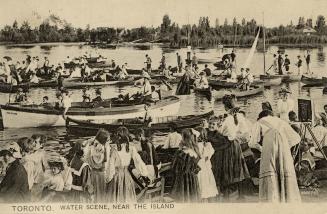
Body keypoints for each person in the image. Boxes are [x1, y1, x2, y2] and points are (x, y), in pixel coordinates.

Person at [249, 111, 301, 202]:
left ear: (261, 116)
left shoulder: (259, 122)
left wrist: (262, 149)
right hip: (283, 147)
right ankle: (286, 198)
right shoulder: (281, 121)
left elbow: (252, 142)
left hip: (269, 146)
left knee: (270, 170)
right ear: (271, 115)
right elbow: (297, 138)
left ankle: (272, 199)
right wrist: (285, 147)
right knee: (284, 170)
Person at [106, 128, 149, 203]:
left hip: (116, 177)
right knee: (128, 199)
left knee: (116, 199)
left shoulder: (114, 149)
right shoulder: (131, 148)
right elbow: (138, 161)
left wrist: (107, 179)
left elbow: (111, 166)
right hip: (127, 176)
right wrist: (144, 173)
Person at [171, 128, 201, 202]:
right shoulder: (194, 151)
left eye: (181, 137)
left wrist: (179, 149)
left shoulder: (182, 153)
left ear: (184, 139)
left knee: (183, 198)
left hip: (183, 179)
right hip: (192, 179)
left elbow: (175, 167)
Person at [84, 129, 110, 202]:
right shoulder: (104, 149)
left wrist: (91, 141)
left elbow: (86, 158)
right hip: (101, 175)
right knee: (101, 196)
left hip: (91, 174)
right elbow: (106, 162)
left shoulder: (90, 147)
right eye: (108, 140)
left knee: (92, 195)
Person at [195, 127, 218, 201]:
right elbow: (208, 156)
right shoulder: (208, 145)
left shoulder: (196, 146)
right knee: (207, 185)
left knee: (201, 186)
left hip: (200, 168)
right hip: (207, 168)